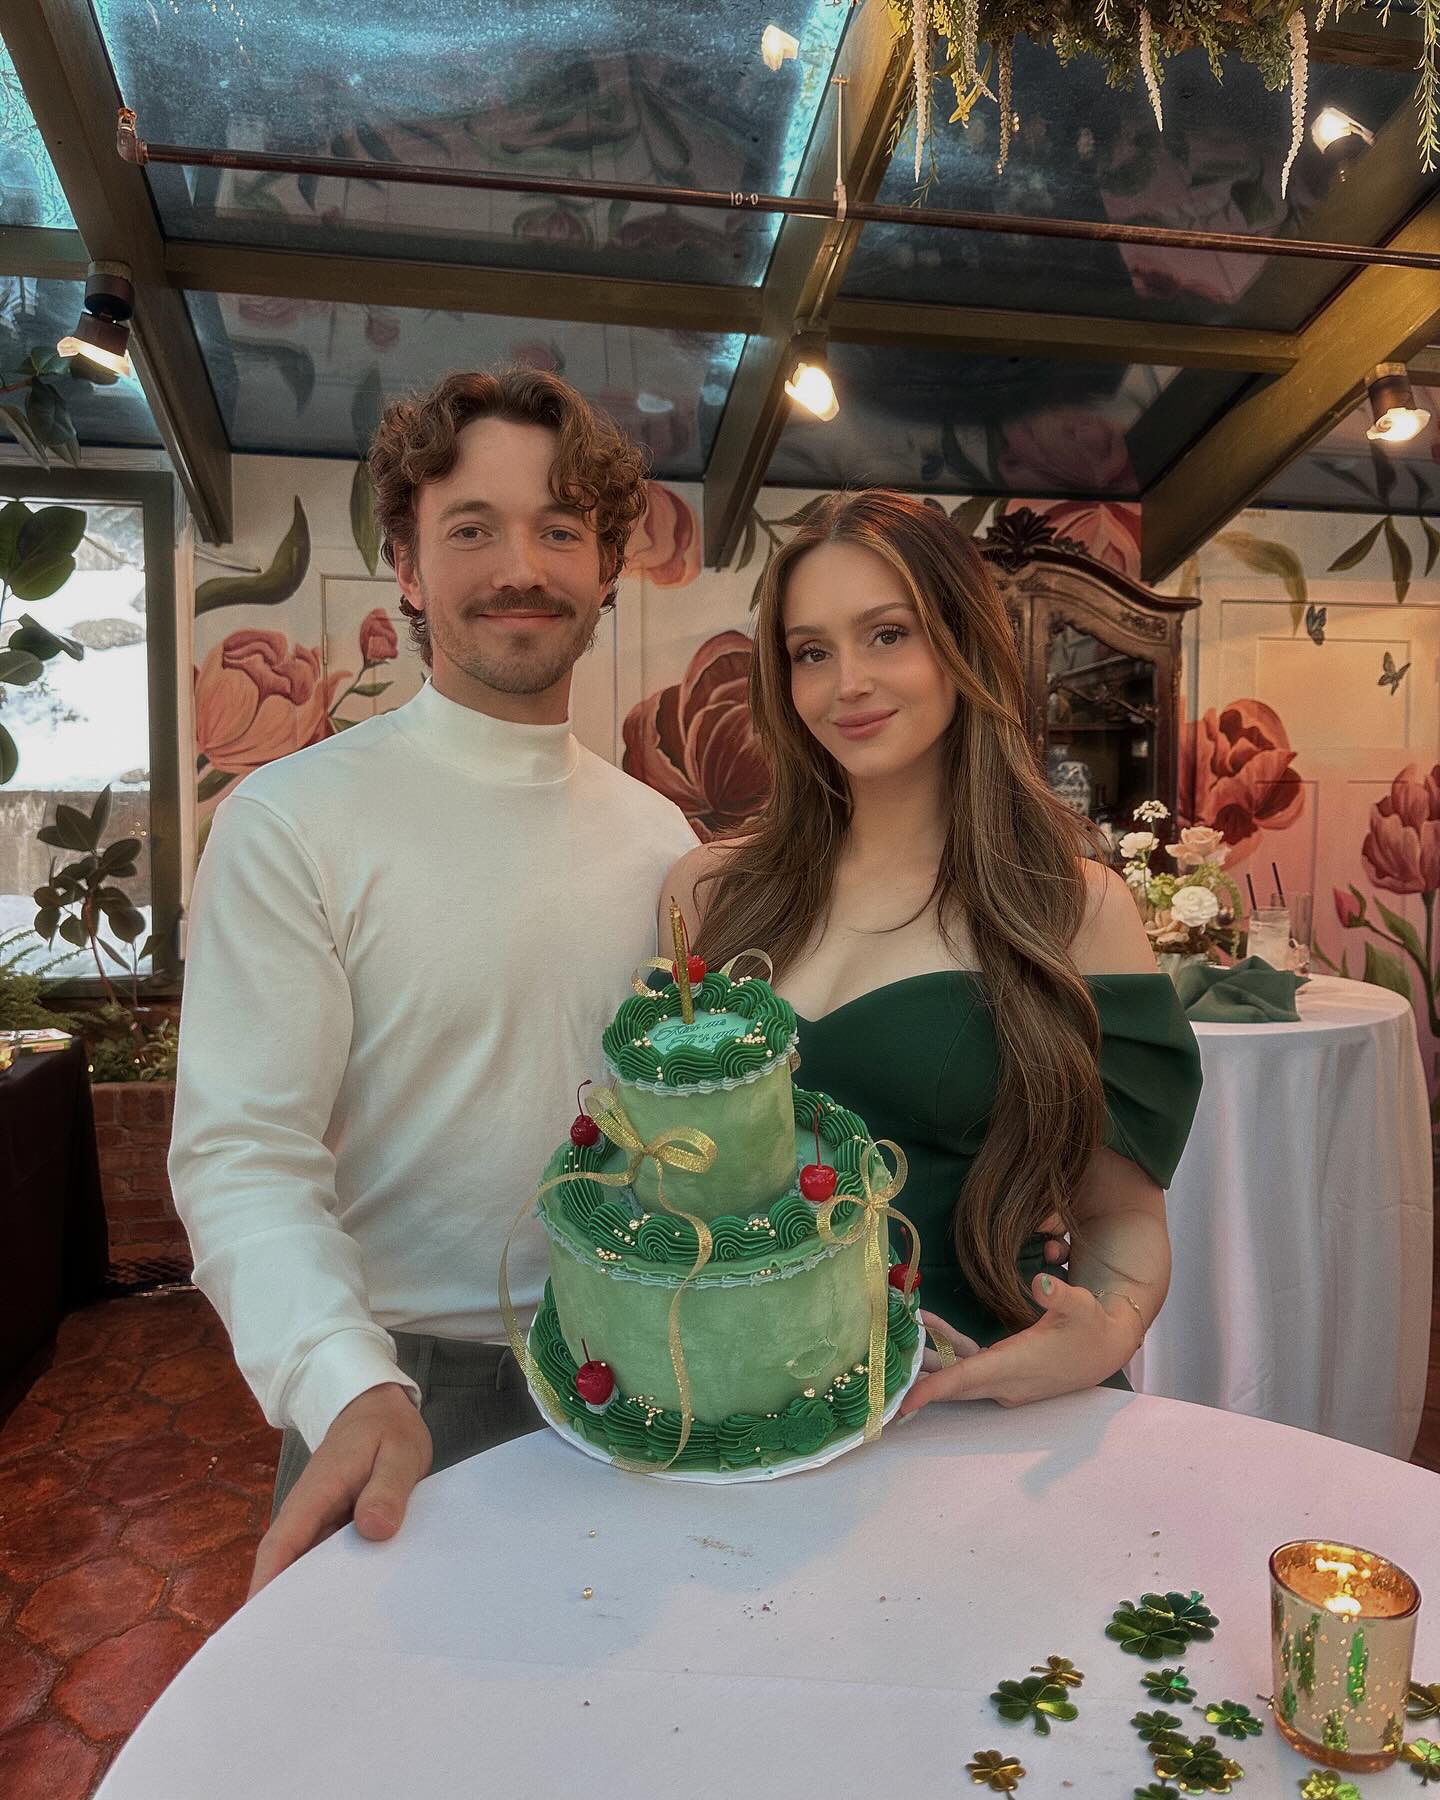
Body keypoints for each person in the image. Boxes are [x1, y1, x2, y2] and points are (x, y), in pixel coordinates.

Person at [170, 368, 696, 1598]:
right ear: (406, 567)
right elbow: (241, 1152)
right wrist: (344, 1380)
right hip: (396, 1390)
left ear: (606, 567)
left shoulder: (663, 839)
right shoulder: (293, 820)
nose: (522, 565)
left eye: (560, 529)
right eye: (472, 529)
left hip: (632, 1367)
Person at [664, 490, 1202, 1409]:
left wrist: (1103, 1327)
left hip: (988, 1399)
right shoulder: (710, 894)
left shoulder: (1073, 907)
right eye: (811, 653)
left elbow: (1121, 1217)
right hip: (753, 1406)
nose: (849, 685)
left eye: (888, 635)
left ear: (961, 645)